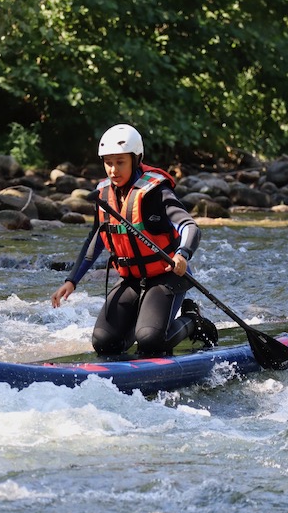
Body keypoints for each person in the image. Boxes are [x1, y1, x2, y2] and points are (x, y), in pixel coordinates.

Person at [51, 123, 218, 356]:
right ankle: (143, 326)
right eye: (108, 162)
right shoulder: (103, 196)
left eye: (120, 162)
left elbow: (190, 227)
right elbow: (95, 241)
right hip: (131, 279)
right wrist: (72, 280)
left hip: (166, 277)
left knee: (150, 341)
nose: (113, 170)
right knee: (104, 342)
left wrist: (183, 254)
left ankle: (192, 320)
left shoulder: (156, 192)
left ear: (135, 159)